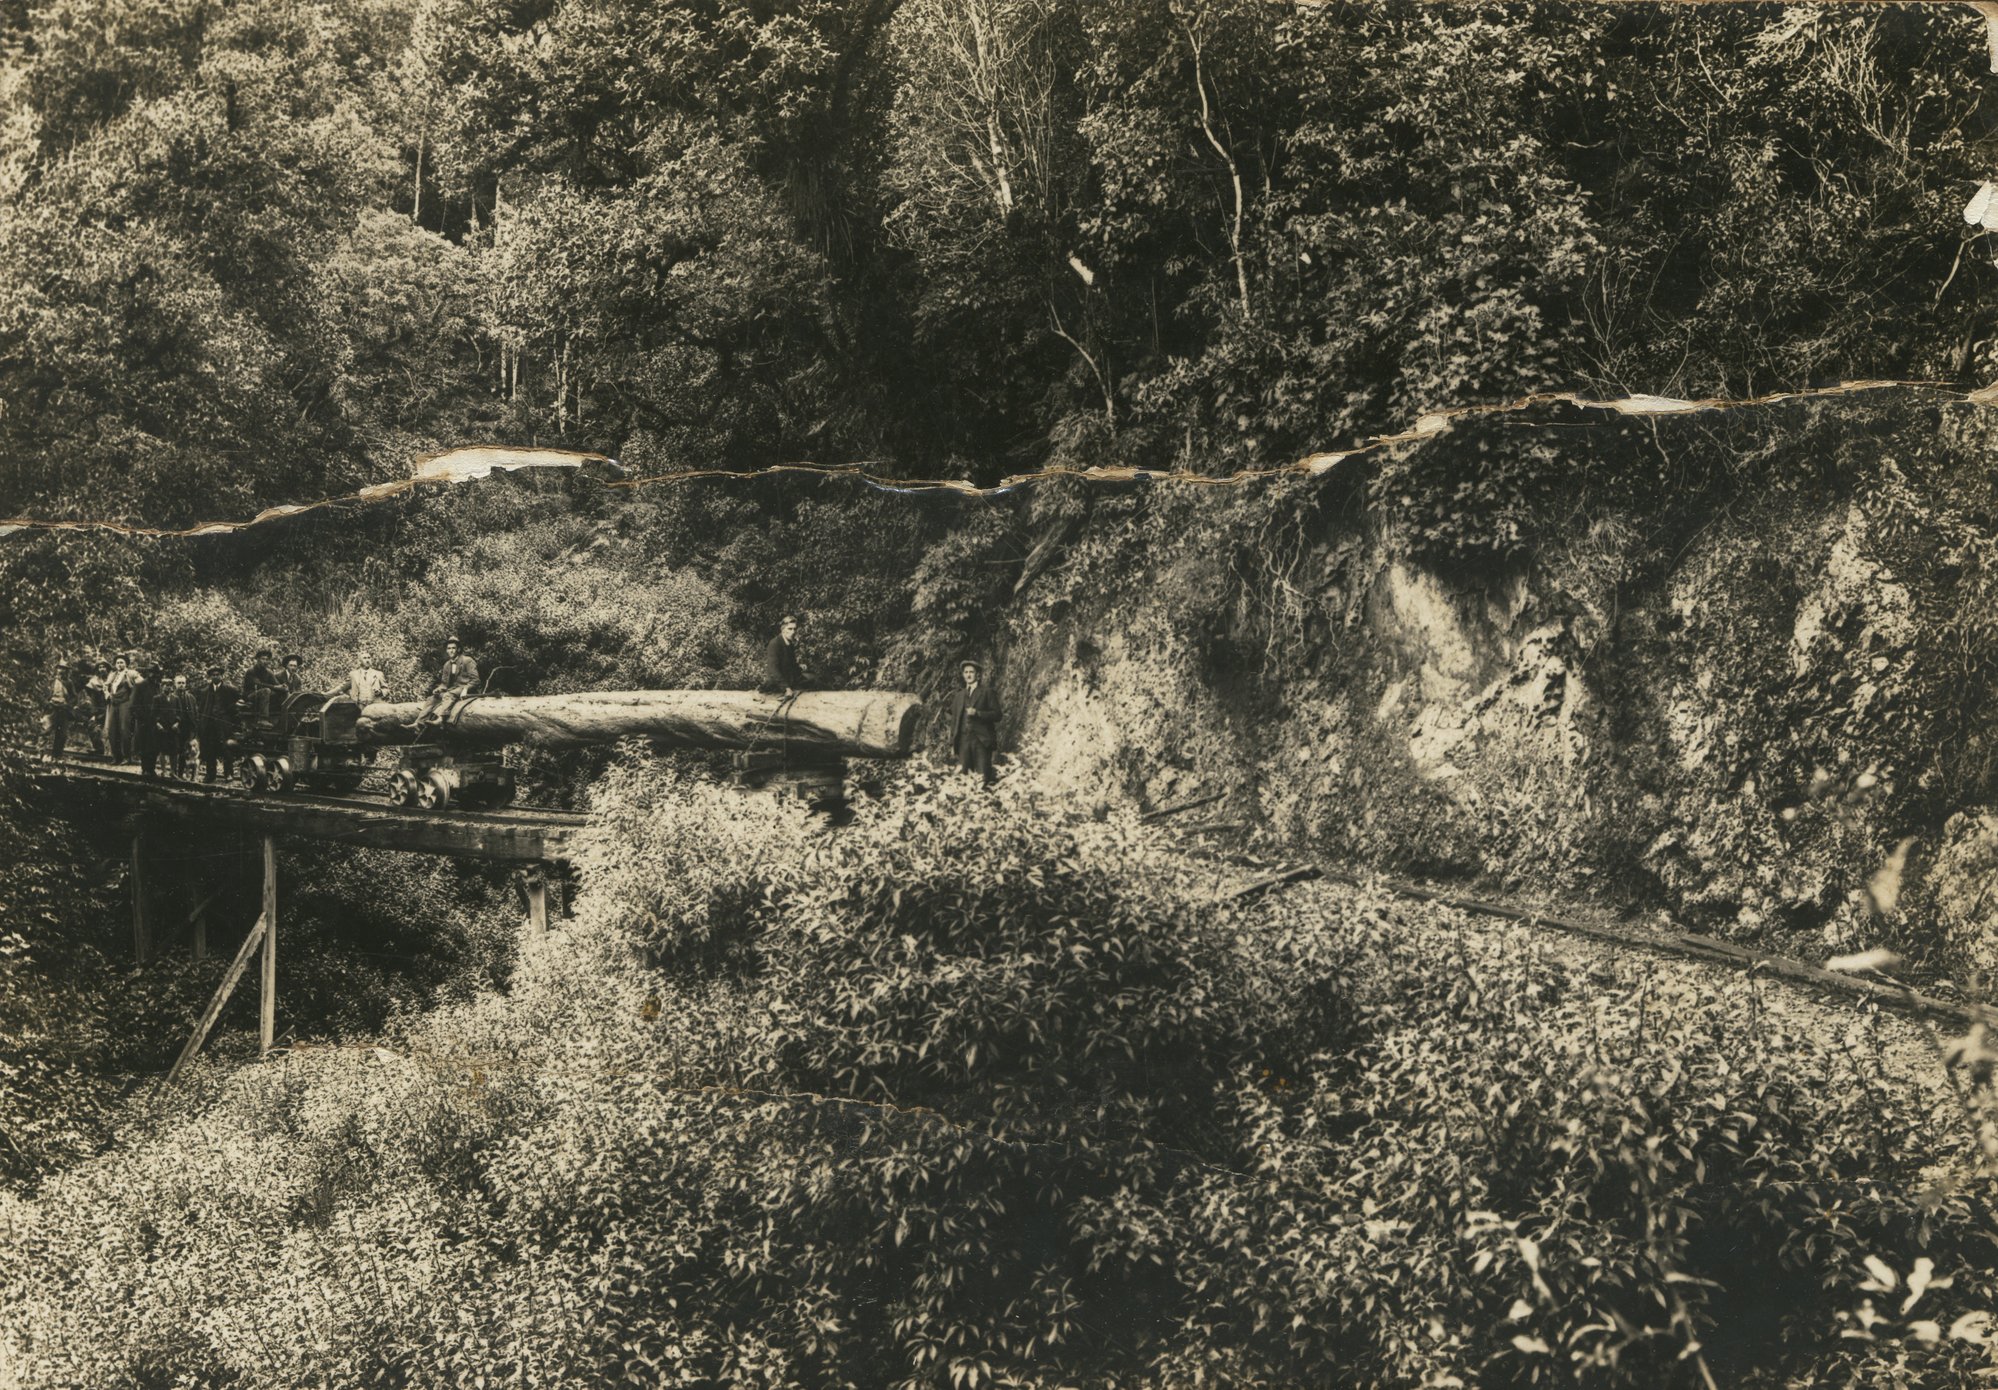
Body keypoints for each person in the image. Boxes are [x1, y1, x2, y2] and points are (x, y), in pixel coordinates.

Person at [946, 659, 1001, 787]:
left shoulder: (987, 692)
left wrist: (978, 713)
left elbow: (998, 715)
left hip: (981, 740)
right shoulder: (959, 696)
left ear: (978, 675)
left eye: (971, 672)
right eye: (966, 672)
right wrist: (952, 743)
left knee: (982, 777)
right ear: (963, 675)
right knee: (964, 777)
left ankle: (984, 802)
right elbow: (954, 720)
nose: (968, 675)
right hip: (963, 741)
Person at [409, 638, 480, 732]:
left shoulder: (467, 660)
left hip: (465, 689)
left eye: (453, 648)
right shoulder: (447, 664)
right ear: (446, 650)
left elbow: (476, 680)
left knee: (448, 695)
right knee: (432, 698)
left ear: (458, 649)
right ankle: (418, 723)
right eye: (449, 648)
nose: (451, 650)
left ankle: (441, 719)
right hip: (453, 689)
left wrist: (466, 688)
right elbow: (444, 684)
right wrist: (439, 689)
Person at [198, 666, 237, 782]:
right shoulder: (205, 691)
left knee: (227, 749)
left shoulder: (230, 690)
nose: (215, 676)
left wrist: (232, 722)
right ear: (210, 677)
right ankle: (210, 775)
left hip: (224, 725)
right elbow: (201, 709)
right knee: (210, 750)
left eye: (217, 674)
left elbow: (236, 708)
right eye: (213, 675)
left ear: (222, 676)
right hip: (210, 726)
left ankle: (228, 774)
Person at [761, 614, 809, 696]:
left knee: (813, 678)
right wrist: (786, 688)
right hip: (777, 683)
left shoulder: (789, 644)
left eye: (794, 629)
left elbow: (791, 664)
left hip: (789, 679)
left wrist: (799, 667)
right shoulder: (775, 644)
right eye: (789, 629)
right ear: (783, 629)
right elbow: (773, 670)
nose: (793, 632)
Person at [103, 654, 137, 762]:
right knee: (112, 729)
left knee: (124, 729)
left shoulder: (131, 673)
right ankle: (116, 757)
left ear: (126, 663)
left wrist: (133, 701)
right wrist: (107, 694)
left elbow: (138, 686)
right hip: (113, 703)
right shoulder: (112, 674)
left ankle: (127, 757)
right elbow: (106, 686)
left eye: (122, 662)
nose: (119, 664)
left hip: (125, 703)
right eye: (117, 662)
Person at [164, 674, 198, 779]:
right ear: (175, 684)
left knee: (186, 751)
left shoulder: (191, 697)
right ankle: (173, 772)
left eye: (183, 683)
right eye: (179, 683)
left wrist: (195, 727)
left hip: (188, 728)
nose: (181, 685)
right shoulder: (171, 697)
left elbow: (195, 713)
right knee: (175, 750)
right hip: (176, 728)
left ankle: (183, 774)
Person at [132, 665, 160, 780]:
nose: (153, 675)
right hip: (144, 721)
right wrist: (141, 718)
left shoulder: (158, 685)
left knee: (154, 746)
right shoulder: (140, 685)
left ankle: (151, 769)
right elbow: (135, 704)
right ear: (148, 673)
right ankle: (145, 769)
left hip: (155, 721)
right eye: (151, 672)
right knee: (144, 746)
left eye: (155, 672)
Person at [46, 655, 72, 758]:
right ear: (56, 669)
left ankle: (57, 756)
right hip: (51, 708)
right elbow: (43, 693)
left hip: (63, 709)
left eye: (64, 669)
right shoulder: (50, 680)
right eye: (60, 668)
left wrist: (68, 705)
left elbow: (74, 696)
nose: (61, 671)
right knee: (45, 731)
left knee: (62, 734)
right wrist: (47, 704)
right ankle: (41, 754)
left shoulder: (69, 682)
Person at [243, 649, 280, 719]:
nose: (265, 661)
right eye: (263, 659)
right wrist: (275, 687)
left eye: (267, 659)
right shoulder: (251, 671)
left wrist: (282, 687)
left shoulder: (269, 672)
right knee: (266, 691)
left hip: (264, 696)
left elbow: (277, 684)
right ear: (257, 659)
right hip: (250, 696)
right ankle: (263, 718)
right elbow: (258, 684)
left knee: (280, 691)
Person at [84, 661, 108, 756]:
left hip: (112, 707)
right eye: (100, 667)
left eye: (104, 667)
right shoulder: (94, 682)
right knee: (92, 726)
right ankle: (98, 748)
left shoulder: (113, 679)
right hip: (100, 709)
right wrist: (94, 714)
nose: (102, 669)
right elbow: (93, 699)